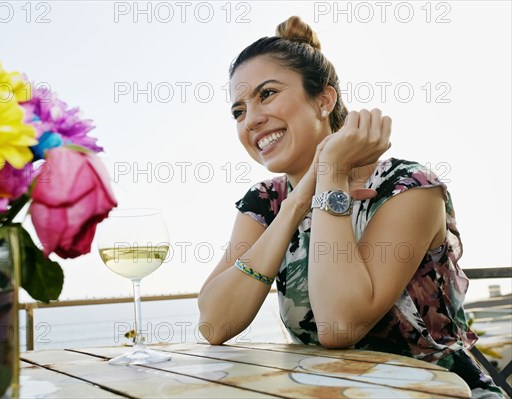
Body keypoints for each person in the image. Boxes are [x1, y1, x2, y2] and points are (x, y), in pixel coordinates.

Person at [197, 16, 506, 398]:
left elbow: (339, 325)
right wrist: (296, 203)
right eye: (238, 110)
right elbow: (214, 325)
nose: (252, 120)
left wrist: (330, 176)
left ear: (324, 100)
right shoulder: (267, 201)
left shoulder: (407, 187)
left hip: (439, 393)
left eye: (267, 94)